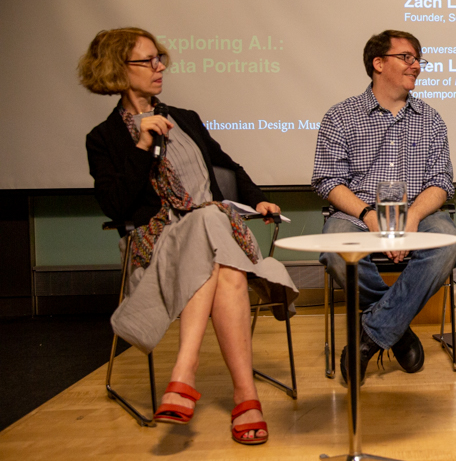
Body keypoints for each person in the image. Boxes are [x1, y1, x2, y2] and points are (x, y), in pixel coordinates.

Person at [82, 27, 298, 445]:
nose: (159, 67)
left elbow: (227, 167)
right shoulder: (104, 139)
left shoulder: (185, 118)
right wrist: (142, 145)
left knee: (209, 225)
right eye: (147, 61)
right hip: (157, 246)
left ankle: (184, 374)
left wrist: (259, 200)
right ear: (116, 70)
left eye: (158, 57)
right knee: (220, 253)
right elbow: (117, 206)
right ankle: (246, 397)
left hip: (218, 232)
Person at [312, 30, 456, 383]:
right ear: (378, 63)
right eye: (407, 57)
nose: (416, 66)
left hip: (418, 213)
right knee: (334, 249)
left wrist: (410, 217)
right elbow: (327, 180)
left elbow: (441, 182)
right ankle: (397, 328)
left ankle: (369, 336)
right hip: (358, 214)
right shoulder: (341, 116)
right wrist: (368, 215)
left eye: (418, 59)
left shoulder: (430, 119)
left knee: (449, 243)